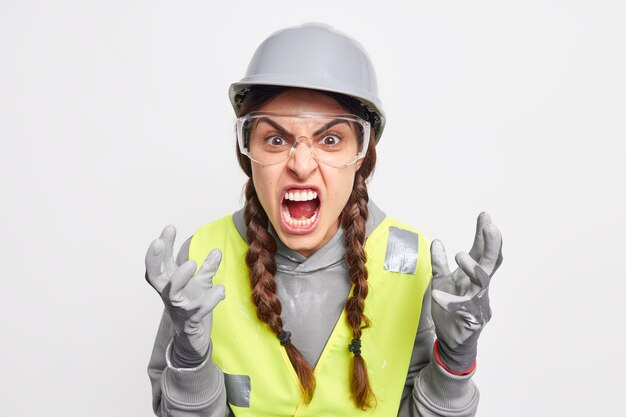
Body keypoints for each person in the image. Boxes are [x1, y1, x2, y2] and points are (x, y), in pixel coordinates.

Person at [145, 23, 503, 417]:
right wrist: (190, 356)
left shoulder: (410, 261)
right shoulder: (201, 261)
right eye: (276, 139)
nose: (300, 164)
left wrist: (454, 360)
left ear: (361, 158)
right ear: (246, 152)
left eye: (330, 139)